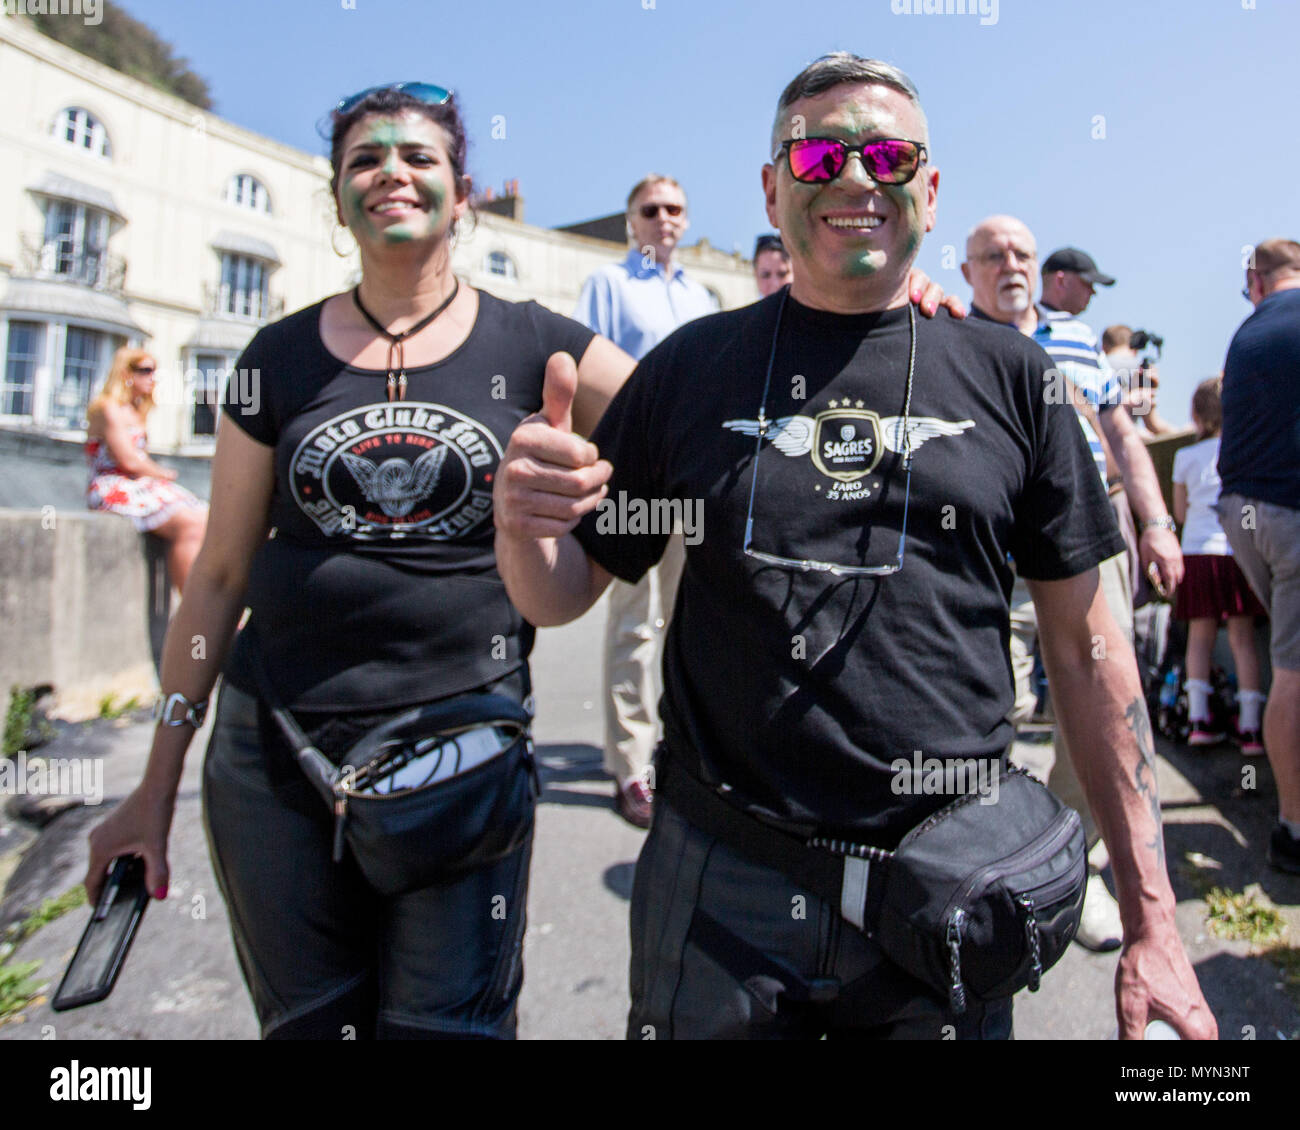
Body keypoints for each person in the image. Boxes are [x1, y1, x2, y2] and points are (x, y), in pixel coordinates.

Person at [494, 54, 1215, 1040]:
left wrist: (1152, 919)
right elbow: (565, 589)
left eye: (887, 153)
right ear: (769, 183)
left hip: (950, 888)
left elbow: (1093, 655)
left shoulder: (1014, 381)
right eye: (819, 151)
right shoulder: (691, 371)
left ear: (927, 185)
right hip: (719, 885)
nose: (854, 174)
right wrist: (523, 525)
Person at [82, 82, 636, 1039]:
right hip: (273, 761)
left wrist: (581, 552)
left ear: (463, 195)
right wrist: (155, 781)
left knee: (448, 1031)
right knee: (309, 1027)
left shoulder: (538, 342)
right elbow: (217, 576)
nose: (392, 172)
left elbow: (688, 428)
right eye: (365, 159)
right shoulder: (274, 358)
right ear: (337, 201)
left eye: (420, 157)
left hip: (461, 762)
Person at [961, 216, 1182, 952]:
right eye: (992, 255)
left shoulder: (1080, 340)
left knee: (1105, 707)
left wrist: (1155, 523)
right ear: (967, 272)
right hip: (990, 550)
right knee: (985, 704)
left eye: (1022, 252)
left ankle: (1071, 864)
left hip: (1090, 540)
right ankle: (985, 862)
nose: (1010, 264)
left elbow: (1125, 439)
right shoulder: (947, 337)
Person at [573, 174, 717, 827]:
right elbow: (581, 372)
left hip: (692, 477)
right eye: (650, 209)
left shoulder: (701, 297)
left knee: (692, 620)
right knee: (633, 622)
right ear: (631, 219)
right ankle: (629, 766)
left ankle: (682, 751)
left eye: (674, 209)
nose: (663, 218)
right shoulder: (607, 285)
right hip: (632, 473)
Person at [1216, 237, 1300, 875]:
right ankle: (1293, 831)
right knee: (1293, 668)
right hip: (1292, 509)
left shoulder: (1247, 334)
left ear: (1257, 280)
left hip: (1244, 513)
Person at [1171, 377, 1266, 752]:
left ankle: (1198, 720)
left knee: (1199, 637)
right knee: (1243, 640)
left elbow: (1180, 512)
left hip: (1196, 551)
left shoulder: (1185, 457)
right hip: (1236, 551)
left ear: (1195, 414)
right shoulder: (1245, 449)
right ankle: (1251, 728)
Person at [86, 348, 208, 593]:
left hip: (139, 485)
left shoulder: (137, 410)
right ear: (126, 373)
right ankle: (192, 605)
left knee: (205, 516)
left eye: (153, 371)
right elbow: (128, 461)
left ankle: (204, 601)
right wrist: (163, 473)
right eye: (145, 370)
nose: (152, 377)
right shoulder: (108, 408)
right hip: (113, 486)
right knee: (190, 524)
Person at [1102, 324, 1173, 436]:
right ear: (1135, 346)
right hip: (1125, 439)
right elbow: (1152, 424)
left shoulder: (1096, 365)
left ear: (1104, 347)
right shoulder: (1142, 369)